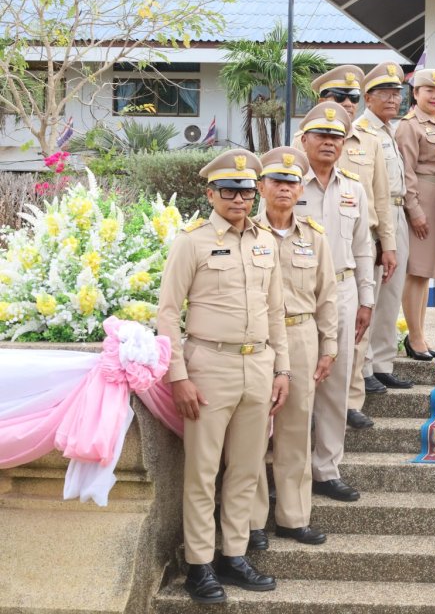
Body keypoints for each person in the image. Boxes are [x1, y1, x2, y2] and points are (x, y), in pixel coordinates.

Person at [157, 149, 288, 604]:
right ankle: (198, 565)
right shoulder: (191, 242)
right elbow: (169, 315)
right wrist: (178, 376)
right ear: (211, 193)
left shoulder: (265, 241)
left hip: (258, 365)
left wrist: (282, 369)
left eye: (247, 190)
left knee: (248, 470)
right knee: (202, 470)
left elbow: (276, 312)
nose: (239, 198)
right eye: (229, 190)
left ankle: (233, 556)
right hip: (208, 366)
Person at [248, 146, 338, 550]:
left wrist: (328, 345)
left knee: (296, 430)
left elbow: (328, 295)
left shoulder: (314, 237)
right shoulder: (245, 233)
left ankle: (293, 517)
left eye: (291, 182)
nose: (284, 189)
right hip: (256, 340)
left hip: (301, 335)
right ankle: (249, 521)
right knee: (248, 433)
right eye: (276, 182)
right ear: (261, 187)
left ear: (301, 188)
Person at [302, 65, 395, 414]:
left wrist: (389, 243)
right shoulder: (300, 150)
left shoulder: (371, 139)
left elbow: (382, 198)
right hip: (308, 257)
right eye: (338, 97)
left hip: (360, 241)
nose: (347, 103)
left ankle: (351, 402)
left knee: (356, 331)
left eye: (353, 98)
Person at [297, 104, 375, 503]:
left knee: (337, 381)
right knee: (294, 385)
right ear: (304, 139)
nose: (329, 142)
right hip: (298, 294)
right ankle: (286, 473)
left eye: (336, 137)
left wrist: (367, 298)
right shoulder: (287, 184)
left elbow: (364, 247)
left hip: (343, 291)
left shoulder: (353, 189)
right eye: (320, 135)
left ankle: (326, 468)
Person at [356, 62, 415, 403]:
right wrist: (378, 233)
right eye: (385, 94)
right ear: (368, 97)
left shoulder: (391, 130)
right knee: (372, 295)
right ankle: (364, 369)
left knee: (391, 295)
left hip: (398, 212)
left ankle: (382, 363)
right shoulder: (362, 130)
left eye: (396, 94)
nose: (393, 100)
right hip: (377, 219)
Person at [395, 68, 435, 361]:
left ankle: (420, 336)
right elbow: (405, 171)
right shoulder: (410, 125)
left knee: (425, 273)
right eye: (429, 90)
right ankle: (415, 339)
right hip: (422, 202)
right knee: (416, 273)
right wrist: (414, 209)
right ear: (415, 93)